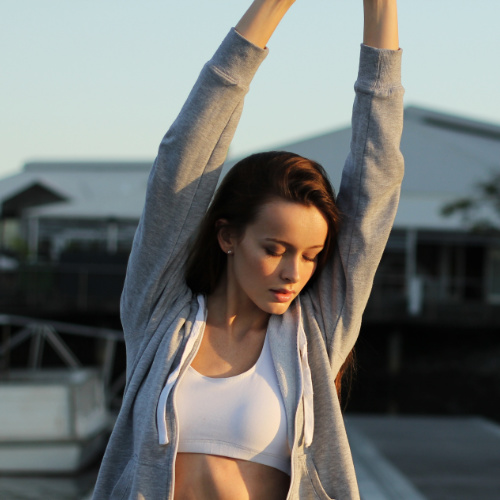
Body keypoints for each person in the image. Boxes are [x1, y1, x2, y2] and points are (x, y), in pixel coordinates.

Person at [92, 0, 403, 498]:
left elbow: (376, 181)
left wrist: (380, 8)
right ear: (228, 236)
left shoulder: (313, 334)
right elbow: (181, 165)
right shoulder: (161, 317)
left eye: (311, 256)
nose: (293, 272)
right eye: (275, 248)